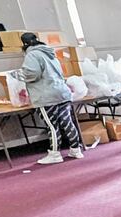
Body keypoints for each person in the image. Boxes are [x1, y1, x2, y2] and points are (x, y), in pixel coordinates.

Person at [16, 32, 82, 165]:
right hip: (62, 93)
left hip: (46, 96)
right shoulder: (49, 53)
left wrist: (18, 75)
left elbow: (32, 74)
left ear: (24, 44)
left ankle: (55, 154)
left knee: (52, 125)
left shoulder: (32, 55)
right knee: (67, 122)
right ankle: (76, 150)